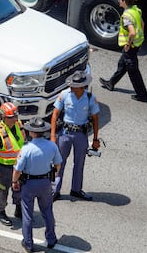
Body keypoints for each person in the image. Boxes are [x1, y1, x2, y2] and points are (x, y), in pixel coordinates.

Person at [13, 118, 62, 253]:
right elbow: (58, 164)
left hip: (29, 184)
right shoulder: (52, 146)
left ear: (33, 133)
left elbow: (18, 170)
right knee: (47, 211)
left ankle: (28, 243)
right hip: (45, 182)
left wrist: (14, 181)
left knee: (27, 213)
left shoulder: (27, 149)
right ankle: (51, 239)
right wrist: (52, 174)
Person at [50, 71, 100, 202]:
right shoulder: (64, 95)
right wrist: (53, 136)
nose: (71, 87)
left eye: (74, 86)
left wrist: (95, 139)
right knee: (59, 162)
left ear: (82, 86)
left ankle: (76, 189)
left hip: (81, 135)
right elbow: (55, 115)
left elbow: (95, 119)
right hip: (65, 134)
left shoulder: (90, 98)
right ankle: (55, 190)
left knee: (79, 163)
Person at [99, 0, 147, 103]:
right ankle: (111, 83)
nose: (118, 0)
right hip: (137, 43)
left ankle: (142, 95)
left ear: (124, 2)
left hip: (131, 45)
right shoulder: (136, 10)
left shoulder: (127, 16)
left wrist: (128, 44)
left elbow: (131, 33)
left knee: (133, 70)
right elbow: (142, 24)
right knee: (122, 63)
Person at [0, 102, 25, 226]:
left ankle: (19, 210)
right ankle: (1, 212)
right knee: (2, 191)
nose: (15, 119)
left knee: (20, 189)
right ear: (3, 117)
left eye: (15, 116)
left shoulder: (19, 125)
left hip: (19, 167)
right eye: (11, 117)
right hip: (4, 168)